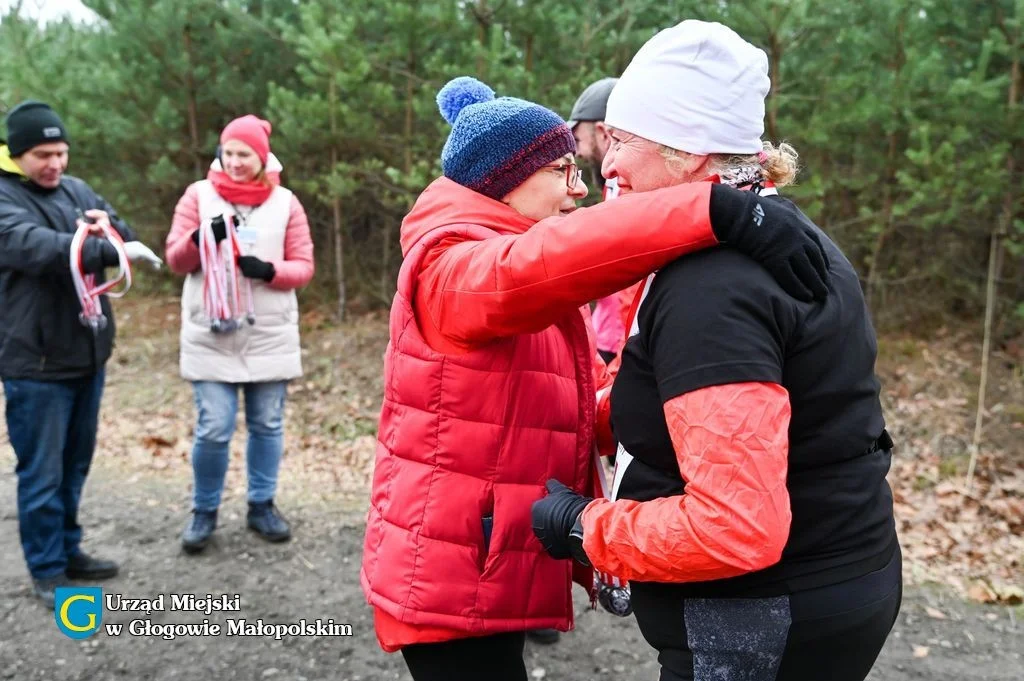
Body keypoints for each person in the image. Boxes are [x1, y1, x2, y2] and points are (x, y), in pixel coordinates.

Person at [361, 76, 831, 681]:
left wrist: (651, 399)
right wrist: (710, 209)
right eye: (562, 170)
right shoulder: (450, 264)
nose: (580, 188)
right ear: (501, 179)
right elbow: (537, 265)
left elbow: (571, 401)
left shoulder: (510, 260)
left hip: (487, 555)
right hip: (449, 571)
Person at [532, 21, 900, 681]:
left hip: (763, 618)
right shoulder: (786, 232)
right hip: (837, 578)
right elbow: (712, 394)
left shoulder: (716, 288)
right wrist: (583, 413)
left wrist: (587, 525)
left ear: (688, 151)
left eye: (622, 140)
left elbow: (734, 524)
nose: (606, 163)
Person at [0, 100, 163, 606]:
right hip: (36, 364)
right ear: (16, 154)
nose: (56, 164)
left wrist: (109, 232)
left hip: (86, 356)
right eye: (43, 154)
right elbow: (37, 248)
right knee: (42, 472)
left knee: (74, 467)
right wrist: (101, 244)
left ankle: (69, 551)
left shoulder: (76, 190)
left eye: (62, 153)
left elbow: (122, 232)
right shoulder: (3, 198)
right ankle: (46, 569)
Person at [165, 115, 314, 553]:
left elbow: (303, 266)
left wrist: (270, 271)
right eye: (227, 153)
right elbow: (175, 259)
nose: (234, 162)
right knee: (214, 426)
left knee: (267, 424)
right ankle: (203, 510)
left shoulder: (286, 202)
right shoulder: (198, 195)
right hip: (211, 332)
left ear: (262, 157)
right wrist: (197, 239)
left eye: (243, 154)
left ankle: (262, 505)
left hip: (269, 333)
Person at [567, 77, 638, 365]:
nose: (579, 153)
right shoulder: (614, 183)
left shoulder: (632, 184)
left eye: (579, 140)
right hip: (607, 335)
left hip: (621, 344)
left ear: (602, 132)